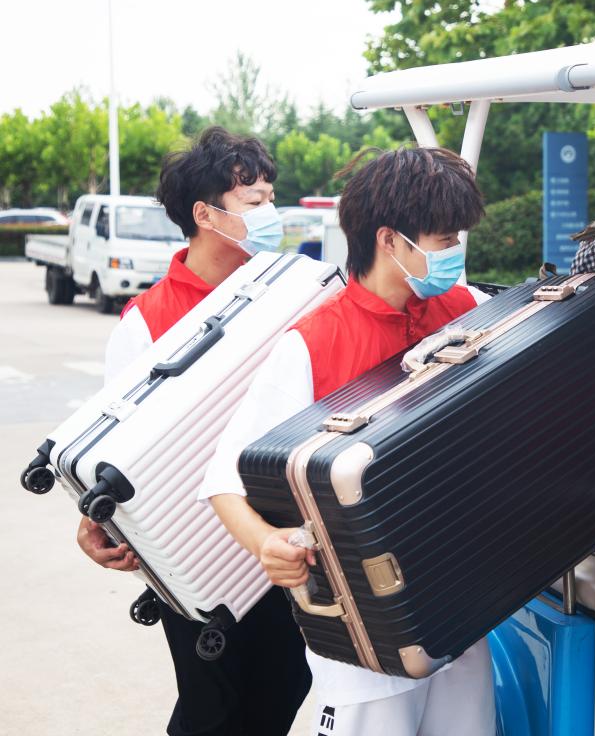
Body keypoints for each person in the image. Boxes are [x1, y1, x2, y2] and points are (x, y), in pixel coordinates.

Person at [200, 146, 496, 736]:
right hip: (368, 629)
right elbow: (224, 481)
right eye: (443, 238)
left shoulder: (468, 310)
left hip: (462, 608)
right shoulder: (312, 344)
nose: (454, 251)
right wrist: (267, 542)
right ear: (390, 240)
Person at [79, 126, 311, 736]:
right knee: (214, 708)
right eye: (254, 201)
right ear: (205, 214)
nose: (270, 213)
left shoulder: (289, 292)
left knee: (286, 688)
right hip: (194, 554)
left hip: (280, 539)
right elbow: (110, 449)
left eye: (270, 197)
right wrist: (98, 523)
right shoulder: (147, 322)